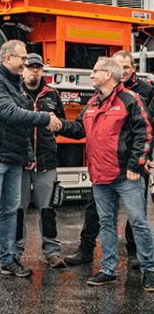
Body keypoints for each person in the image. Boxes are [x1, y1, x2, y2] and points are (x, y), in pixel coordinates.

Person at [0, 40, 62, 284]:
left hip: (12, 157)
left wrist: (28, 156)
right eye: (22, 58)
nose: (25, 62)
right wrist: (45, 117)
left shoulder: (16, 84)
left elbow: (22, 126)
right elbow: (10, 113)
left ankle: (9, 260)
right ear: (7, 58)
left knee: (10, 210)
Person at [58, 57, 154, 290]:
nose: (91, 76)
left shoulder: (130, 100)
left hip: (126, 176)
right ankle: (108, 270)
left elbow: (145, 133)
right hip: (100, 176)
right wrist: (58, 124)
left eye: (94, 72)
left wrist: (134, 166)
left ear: (108, 75)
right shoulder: (92, 103)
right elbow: (80, 128)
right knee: (107, 223)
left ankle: (149, 269)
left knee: (139, 222)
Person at [15, 53, 66, 268]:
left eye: (38, 68)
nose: (34, 71)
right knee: (17, 209)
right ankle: (15, 251)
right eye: (30, 67)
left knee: (48, 209)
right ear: (23, 69)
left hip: (46, 161)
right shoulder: (15, 93)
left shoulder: (52, 95)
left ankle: (52, 251)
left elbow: (59, 122)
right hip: (20, 162)